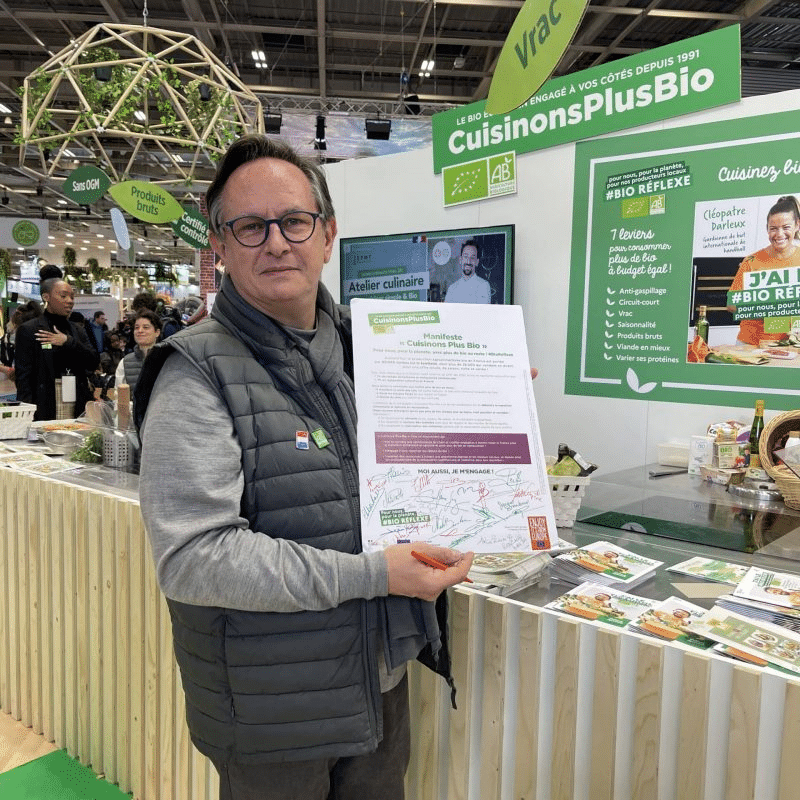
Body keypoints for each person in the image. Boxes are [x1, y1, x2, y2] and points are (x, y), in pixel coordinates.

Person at [134, 134, 473, 800]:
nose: (276, 243)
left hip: (379, 677)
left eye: (294, 221)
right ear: (220, 244)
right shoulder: (194, 373)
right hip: (273, 709)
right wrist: (375, 574)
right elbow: (193, 557)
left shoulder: (372, 347)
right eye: (250, 227)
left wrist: (483, 405)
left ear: (328, 235)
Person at [13, 278, 98, 420]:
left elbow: (93, 362)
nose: (69, 301)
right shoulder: (30, 330)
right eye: (63, 296)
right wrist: (26, 413)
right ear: (46, 297)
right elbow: (23, 377)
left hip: (77, 399)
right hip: (44, 403)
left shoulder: (77, 330)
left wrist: (68, 342)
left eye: (72, 297)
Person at [727, 195, 800, 345]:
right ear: (767, 228)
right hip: (750, 345)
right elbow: (731, 305)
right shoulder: (752, 261)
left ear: (797, 225)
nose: (779, 234)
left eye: (786, 227)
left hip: (791, 345)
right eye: (773, 229)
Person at [115, 310, 161, 391]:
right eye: (136, 327)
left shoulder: (167, 360)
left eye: (145, 327)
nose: (140, 331)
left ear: (157, 332)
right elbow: (119, 394)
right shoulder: (125, 362)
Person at [444, 240, 491, 304]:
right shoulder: (452, 289)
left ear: (477, 262)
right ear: (460, 260)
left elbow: (483, 310)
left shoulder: (484, 286)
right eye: (466, 257)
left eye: (472, 258)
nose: (468, 261)